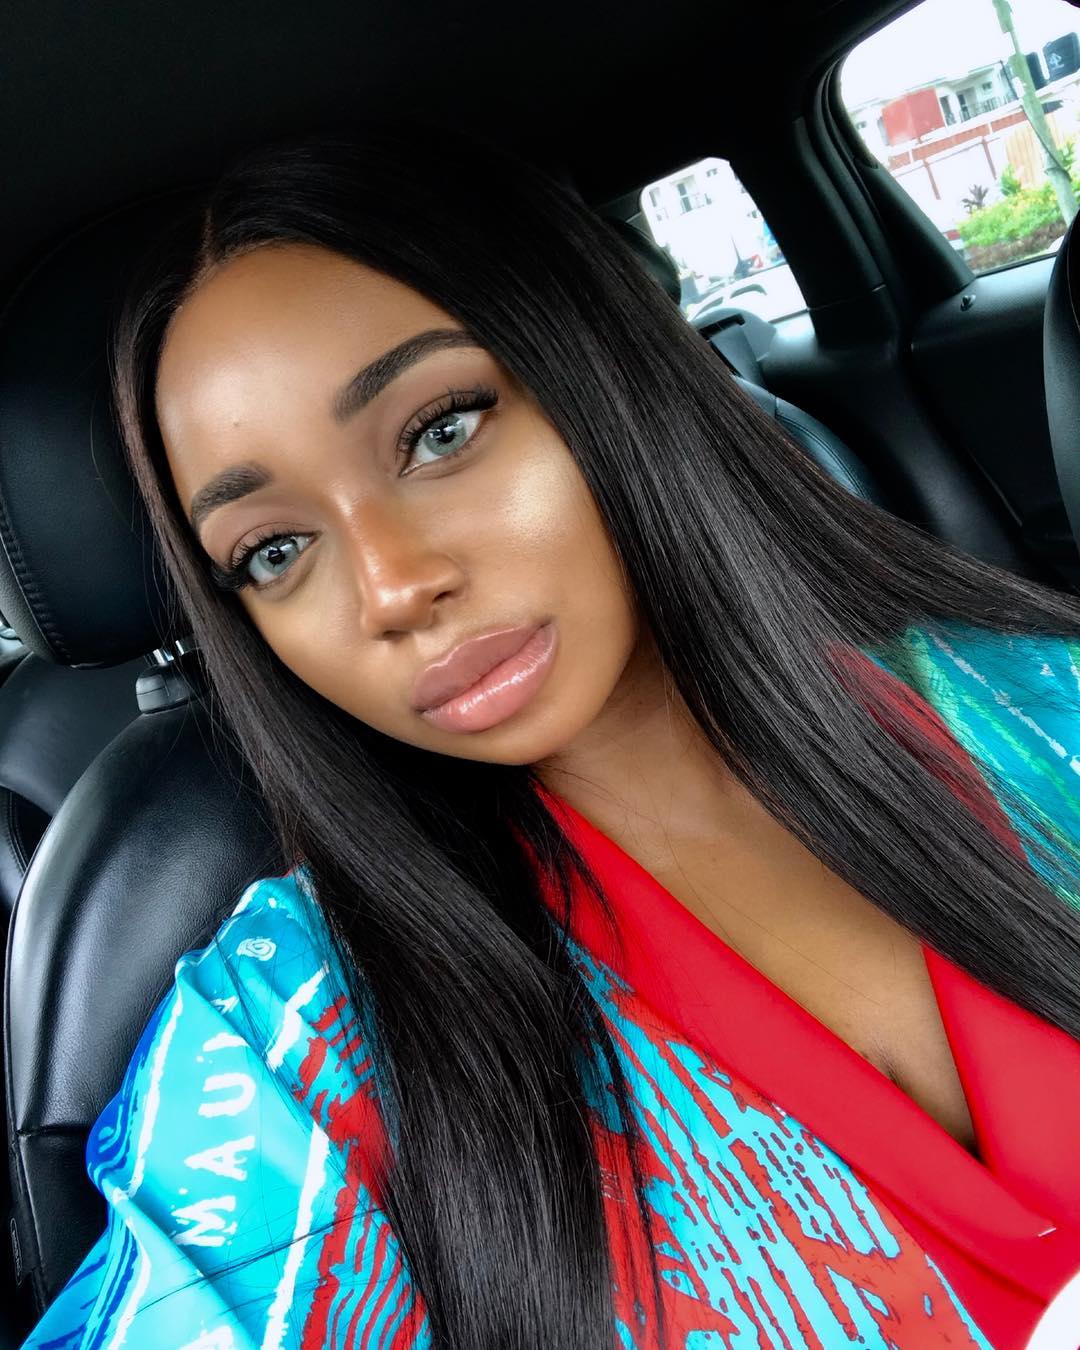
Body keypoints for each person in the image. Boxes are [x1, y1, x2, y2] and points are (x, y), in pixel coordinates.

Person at [21, 119, 1080, 1350]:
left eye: (442, 430)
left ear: (598, 368)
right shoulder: (288, 1035)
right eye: (275, 550)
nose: (390, 588)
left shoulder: (1037, 706)